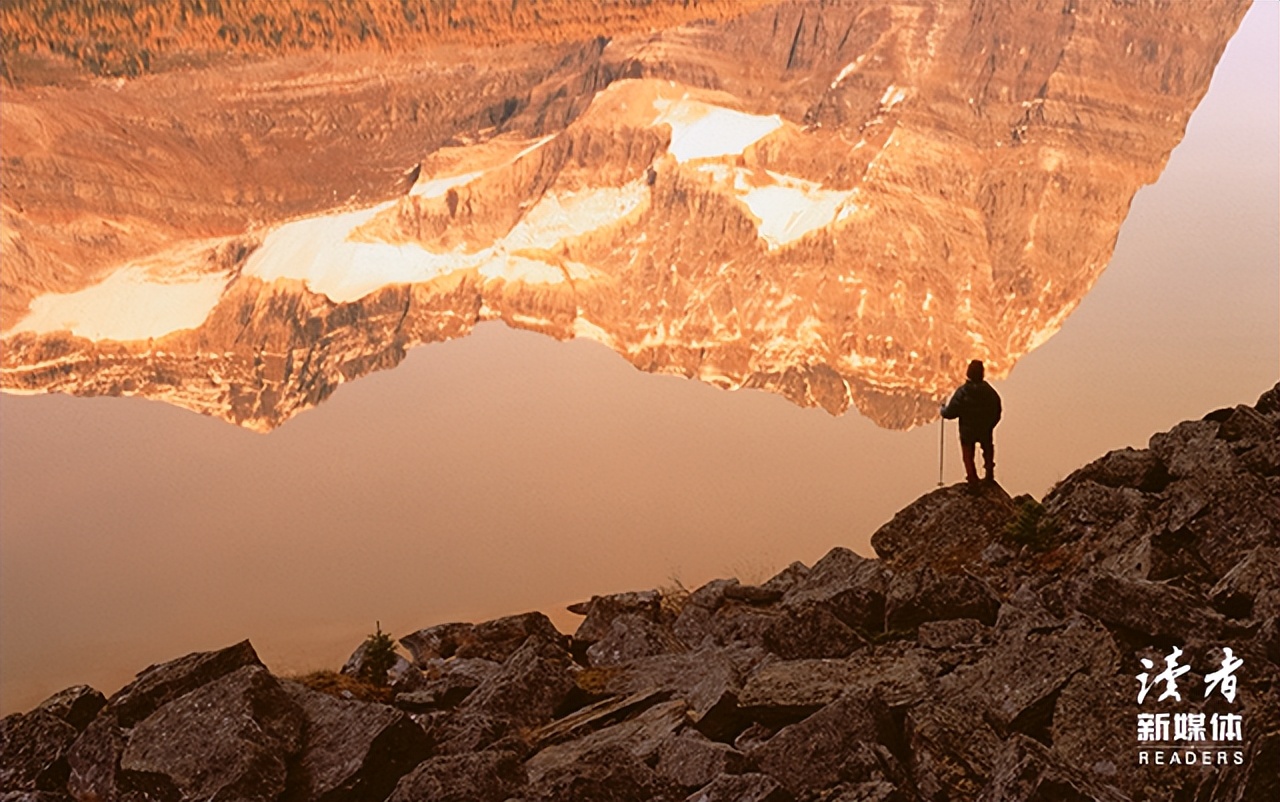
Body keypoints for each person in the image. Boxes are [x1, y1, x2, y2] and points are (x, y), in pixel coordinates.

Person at [941, 360, 1002, 485]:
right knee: (987, 448)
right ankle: (989, 473)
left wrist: (942, 410)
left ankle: (972, 479)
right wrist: (991, 425)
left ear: (968, 373)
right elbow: (997, 409)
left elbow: (950, 413)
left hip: (967, 431)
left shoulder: (962, 392)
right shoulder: (989, 391)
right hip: (985, 428)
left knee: (968, 455)